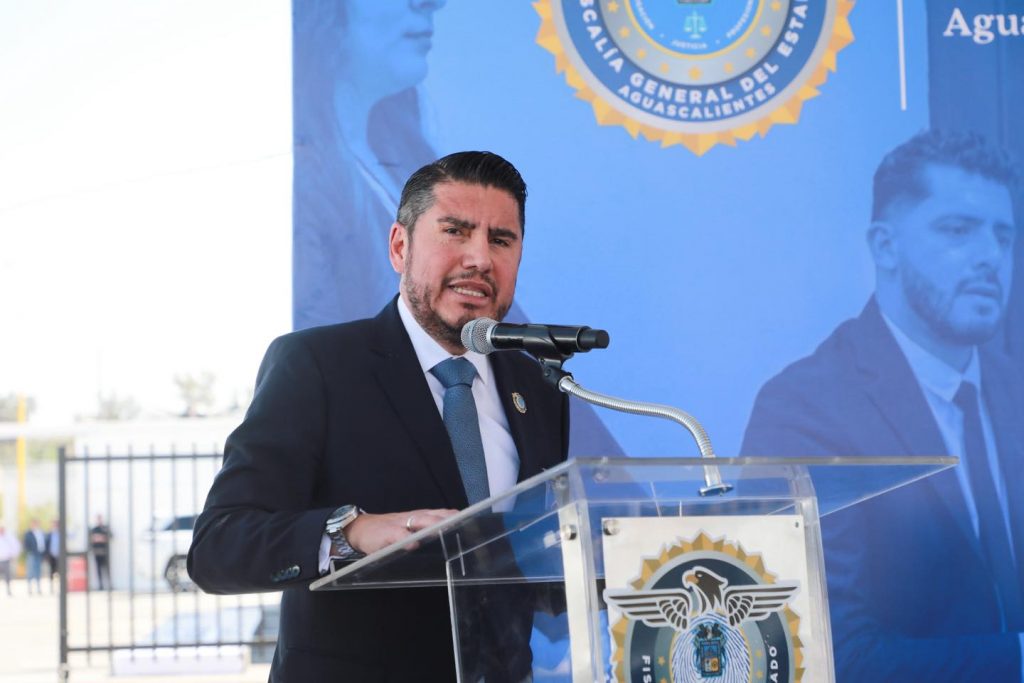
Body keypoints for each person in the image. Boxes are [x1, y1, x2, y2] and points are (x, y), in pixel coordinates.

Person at [189, 151, 571, 681]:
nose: (480, 258)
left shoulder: (540, 388)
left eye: (501, 240)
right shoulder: (318, 366)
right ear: (399, 246)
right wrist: (352, 532)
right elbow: (219, 546)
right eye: (455, 231)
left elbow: (527, 566)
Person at [742, 130, 1022, 681]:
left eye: (1004, 236)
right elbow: (827, 653)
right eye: (958, 230)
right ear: (886, 247)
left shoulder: (1015, 386)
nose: (991, 257)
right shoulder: (804, 410)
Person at [22, 518, 46, 595]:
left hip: (39, 554)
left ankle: (38, 588)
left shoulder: (41, 532)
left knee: (38, 571)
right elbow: (25, 544)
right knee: (30, 571)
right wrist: (29, 551)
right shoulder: (28, 533)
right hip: (31, 554)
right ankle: (30, 588)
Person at [89, 514, 112, 591]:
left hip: (105, 551)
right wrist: (99, 538)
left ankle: (109, 585)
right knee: (98, 569)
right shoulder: (94, 529)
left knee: (107, 569)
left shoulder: (105, 528)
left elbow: (110, 536)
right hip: (97, 551)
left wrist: (101, 538)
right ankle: (100, 586)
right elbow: (92, 539)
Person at [0, 525, 20, 596]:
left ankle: (8, 590)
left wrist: (13, 555)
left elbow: (16, 546)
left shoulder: (9, 537)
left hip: (6, 559)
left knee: (7, 576)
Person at [45, 520, 60, 593]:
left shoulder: (61, 534)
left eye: (56, 524)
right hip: (51, 556)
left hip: (60, 556)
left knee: (60, 572)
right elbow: (46, 545)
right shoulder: (49, 534)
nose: (55, 526)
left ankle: (60, 587)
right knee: (51, 571)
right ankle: (52, 588)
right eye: (53, 524)